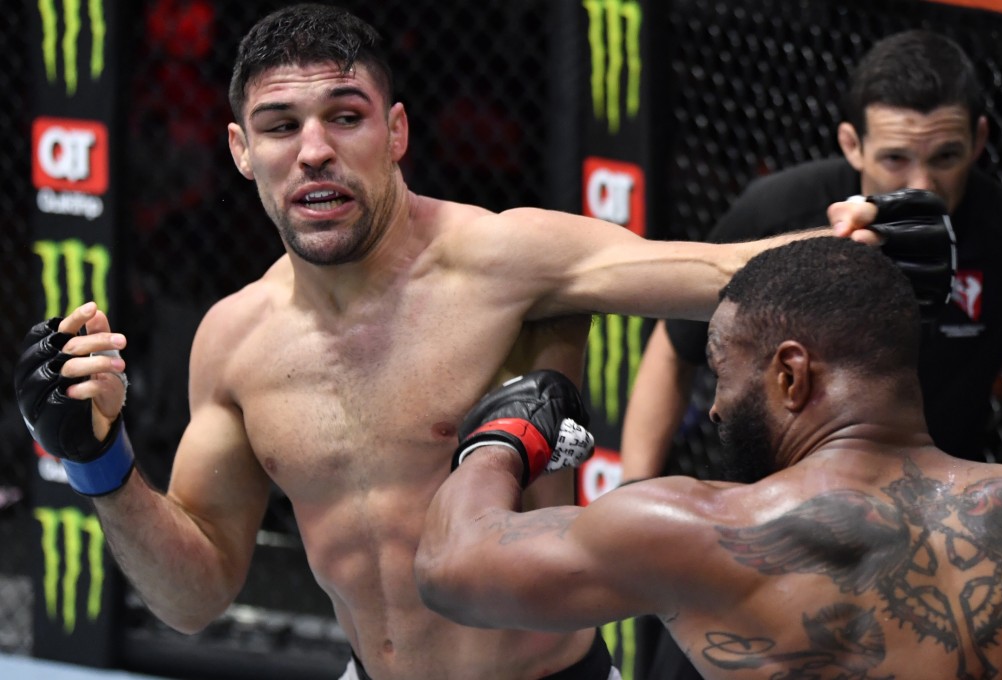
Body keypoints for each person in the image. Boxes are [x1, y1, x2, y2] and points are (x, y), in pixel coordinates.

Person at [12, 4, 901, 679]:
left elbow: (722, 274)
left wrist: (866, 240)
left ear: (395, 133)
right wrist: (100, 467)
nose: (314, 150)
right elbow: (196, 598)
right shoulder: (234, 342)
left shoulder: (506, 260)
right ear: (243, 151)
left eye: (345, 116)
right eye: (283, 127)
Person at [415, 236, 1002, 680]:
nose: (716, 409)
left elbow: (450, 565)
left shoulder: (701, 531)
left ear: (790, 375)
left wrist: (501, 440)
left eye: (723, 374)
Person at [621, 29, 1002, 490]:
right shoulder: (781, 211)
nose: (922, 184)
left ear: (979, 139)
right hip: (777, 493)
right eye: (895, 158)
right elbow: (674, 350)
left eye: (945, 156)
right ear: (852, 144)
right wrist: (633, 487)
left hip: (941, 498)